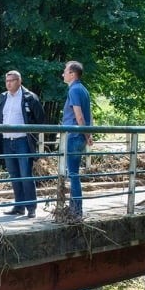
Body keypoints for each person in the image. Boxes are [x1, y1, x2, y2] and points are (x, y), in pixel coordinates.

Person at [0, 70, 45, 218]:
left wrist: (31, 134)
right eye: (7, 81)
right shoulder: (3, 97)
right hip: (7, 141)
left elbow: (40, 119)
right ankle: (19, 206)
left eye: (12, 80)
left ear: (19, 81)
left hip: (23, 140)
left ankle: (31, 208)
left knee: (25, 174)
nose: (8, 83)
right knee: (14, 175)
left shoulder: (29, 97)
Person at [61, 60, 93, 217]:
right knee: (74, 173)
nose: (63, 74)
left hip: (74, 135)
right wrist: (88, 134)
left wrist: (86, 134)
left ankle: (76, 211)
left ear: (72, 74)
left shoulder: (73, 90)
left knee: (73, 174)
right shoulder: (83, 89)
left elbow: (79, 116)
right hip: (80, 136)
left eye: (65, 71)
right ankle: (75, 209)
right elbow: (88, 114)